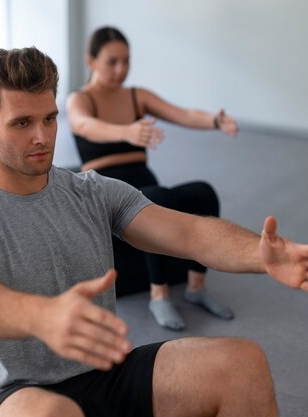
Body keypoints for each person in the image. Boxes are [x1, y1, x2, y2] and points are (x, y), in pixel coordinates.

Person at [0, 46, 308, 417]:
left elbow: (190, 234)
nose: (42, 136)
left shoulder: (93, 191)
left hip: (108, 375)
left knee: (242, 364)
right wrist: (40, 315)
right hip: (17, 395)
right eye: (22, 123)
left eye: (49, 118)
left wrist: (258, 255)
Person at [67, 26, 240, 330]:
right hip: (106, 192)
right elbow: (84, 126)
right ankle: (158, 295)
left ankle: (196, 288)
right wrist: (126, 131)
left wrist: (215, 120)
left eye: (126, 61)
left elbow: (182, 114)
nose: (121, 69)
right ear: (91, 61)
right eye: (112, 62)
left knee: (203, 192)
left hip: (145, 185)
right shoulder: (80, 99)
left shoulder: (136, 96)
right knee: (156, 199)